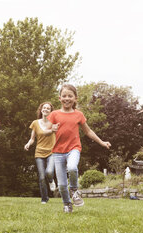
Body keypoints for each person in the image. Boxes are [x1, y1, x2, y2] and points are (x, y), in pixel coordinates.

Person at [47, 84, 111, 213]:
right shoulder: (54, 114)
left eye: (70, 96)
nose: (67, 98)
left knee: (72, 167)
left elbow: (88, 132)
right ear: (59, 98)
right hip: (57, 152)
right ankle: (67, 204)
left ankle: (75, 190)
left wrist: (102, 142)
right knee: (61, 185)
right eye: (64, 96)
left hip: (73, 149)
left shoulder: (78, 115)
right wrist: (51, 129)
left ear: (75, 98)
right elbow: (45, 130)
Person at [24, 102, 57, 204]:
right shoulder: (35, 123)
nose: (46, 109)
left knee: (49, 172)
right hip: (39, 152)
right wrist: (28, 144)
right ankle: (44, 199)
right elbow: (32, 138)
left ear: (51, 111)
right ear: (41, 109)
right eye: (44, 108)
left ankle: (51, 180)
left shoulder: (54, 123)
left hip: (52, 151)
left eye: (48, 108)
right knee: (42, 177)